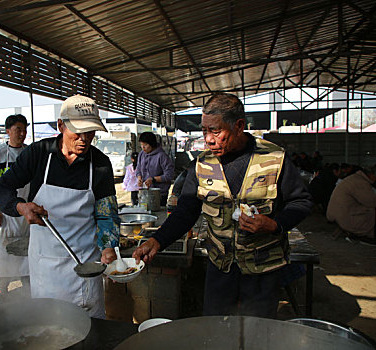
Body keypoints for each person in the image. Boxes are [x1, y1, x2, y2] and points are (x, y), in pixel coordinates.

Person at [133, 93, 313, 318]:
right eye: (204, 130)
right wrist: (157, 241)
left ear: (239, 126)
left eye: (215, 131)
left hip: (262, 270)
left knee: (257, 332)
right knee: (215, 329)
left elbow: (301, 202)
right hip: (221, 268)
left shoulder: (274, 158)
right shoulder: (202, 164)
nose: (208, 139)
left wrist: (275, 224)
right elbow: (186, 211)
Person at [0, 94, 119, 318]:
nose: (84, 139)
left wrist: (108, 246)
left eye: (91, 132)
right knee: (50, 326)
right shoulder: (39, 154)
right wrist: (21, 207)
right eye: (78, 131)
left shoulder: (99, 164)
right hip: (45, 263)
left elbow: (106, 212)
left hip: (85, 264)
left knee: (90, 329)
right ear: (61, 125)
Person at [0, 114, 30, 295]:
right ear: (8, 131)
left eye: (24, 129)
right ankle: (1, 291)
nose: (22, 133)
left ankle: (28, 292)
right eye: (18, 129)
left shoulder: (29, 153)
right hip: (4, 211)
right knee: (2, 254)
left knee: (26, 254)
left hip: (25, 210)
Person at [326, 166, 376, 245]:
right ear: (372, 175)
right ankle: (368, 237)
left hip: (335, 213)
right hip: (345, 216)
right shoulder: (361, 182)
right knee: (372, 212)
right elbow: (372, 202)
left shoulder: (354, 178)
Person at [136, 132, 175, 206]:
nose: (143, 147)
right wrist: (139, 178)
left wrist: (153, 179)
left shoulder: (162, 156)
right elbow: (138, 168)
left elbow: (170, 175)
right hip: (145, 192)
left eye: (146, 145)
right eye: (141, 145)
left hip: (159, 194)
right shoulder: (141, 154)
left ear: (152, 144)